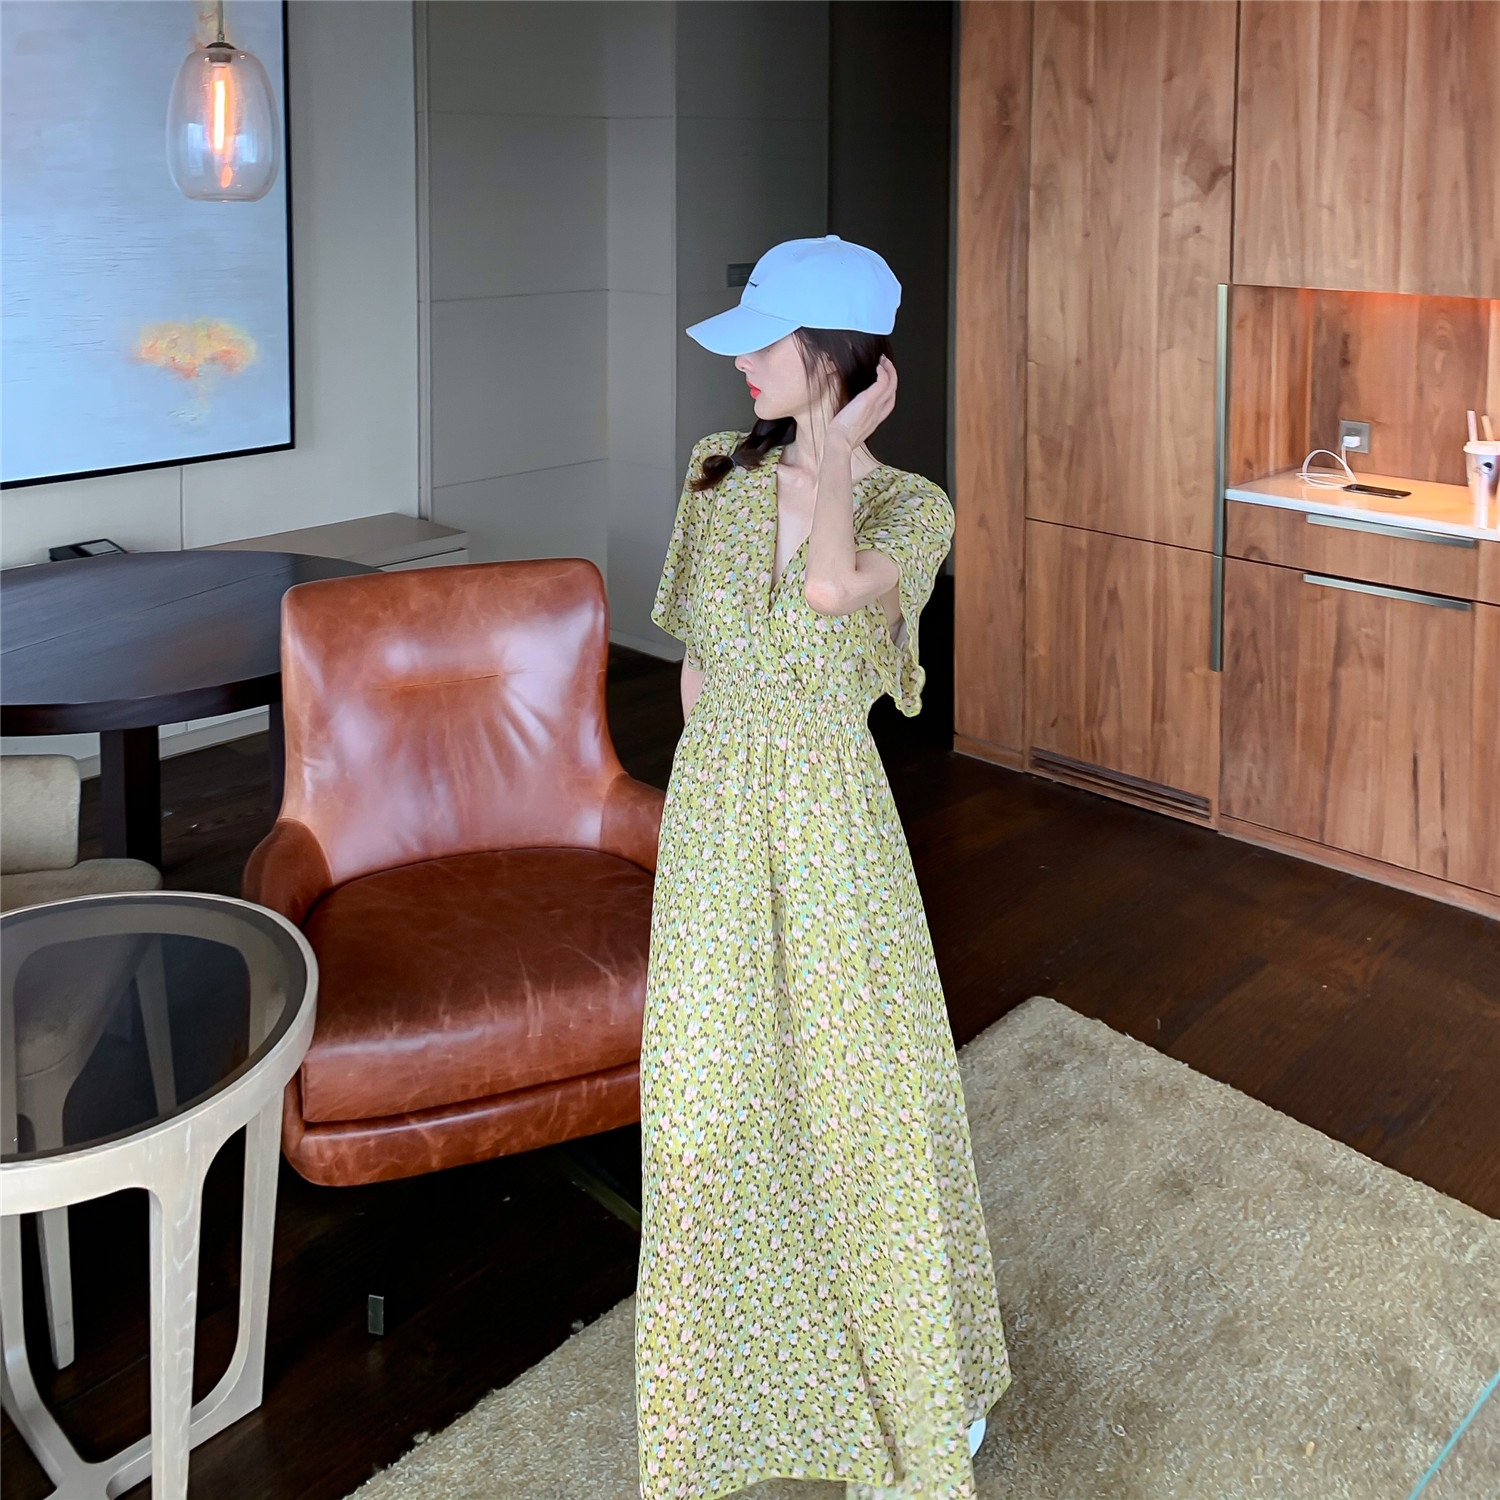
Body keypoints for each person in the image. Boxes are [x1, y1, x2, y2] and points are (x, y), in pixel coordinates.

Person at [635, 234, 1011, 1500]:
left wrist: (838, 454)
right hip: (715, 823)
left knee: (860, 1115)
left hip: (831, 829)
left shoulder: (915, 508)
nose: (740, 362)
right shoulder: (713, 470)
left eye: (765, 341)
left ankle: (916, 1391)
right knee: (702, 1114)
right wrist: (710, 793)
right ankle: (730, 1408)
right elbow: (695, 656)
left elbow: (836, 591)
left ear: (834, 355)